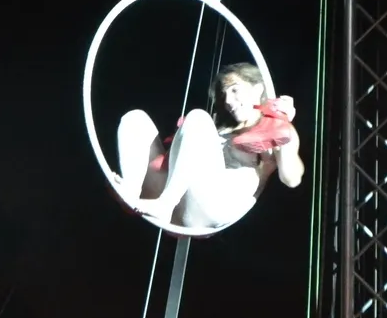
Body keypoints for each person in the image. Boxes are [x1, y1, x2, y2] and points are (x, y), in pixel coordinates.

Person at [111, 62, 305, 231]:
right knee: (135, 119)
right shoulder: (221, 130)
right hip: (178, 197)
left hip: (215, 203)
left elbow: (292, 179)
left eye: (235, 90)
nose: (228, 101)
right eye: (224, 94)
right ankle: (130, 193)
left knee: (198, 118)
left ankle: (165, 204)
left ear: (257, 90)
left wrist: (283, 125)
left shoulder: (273, 130)